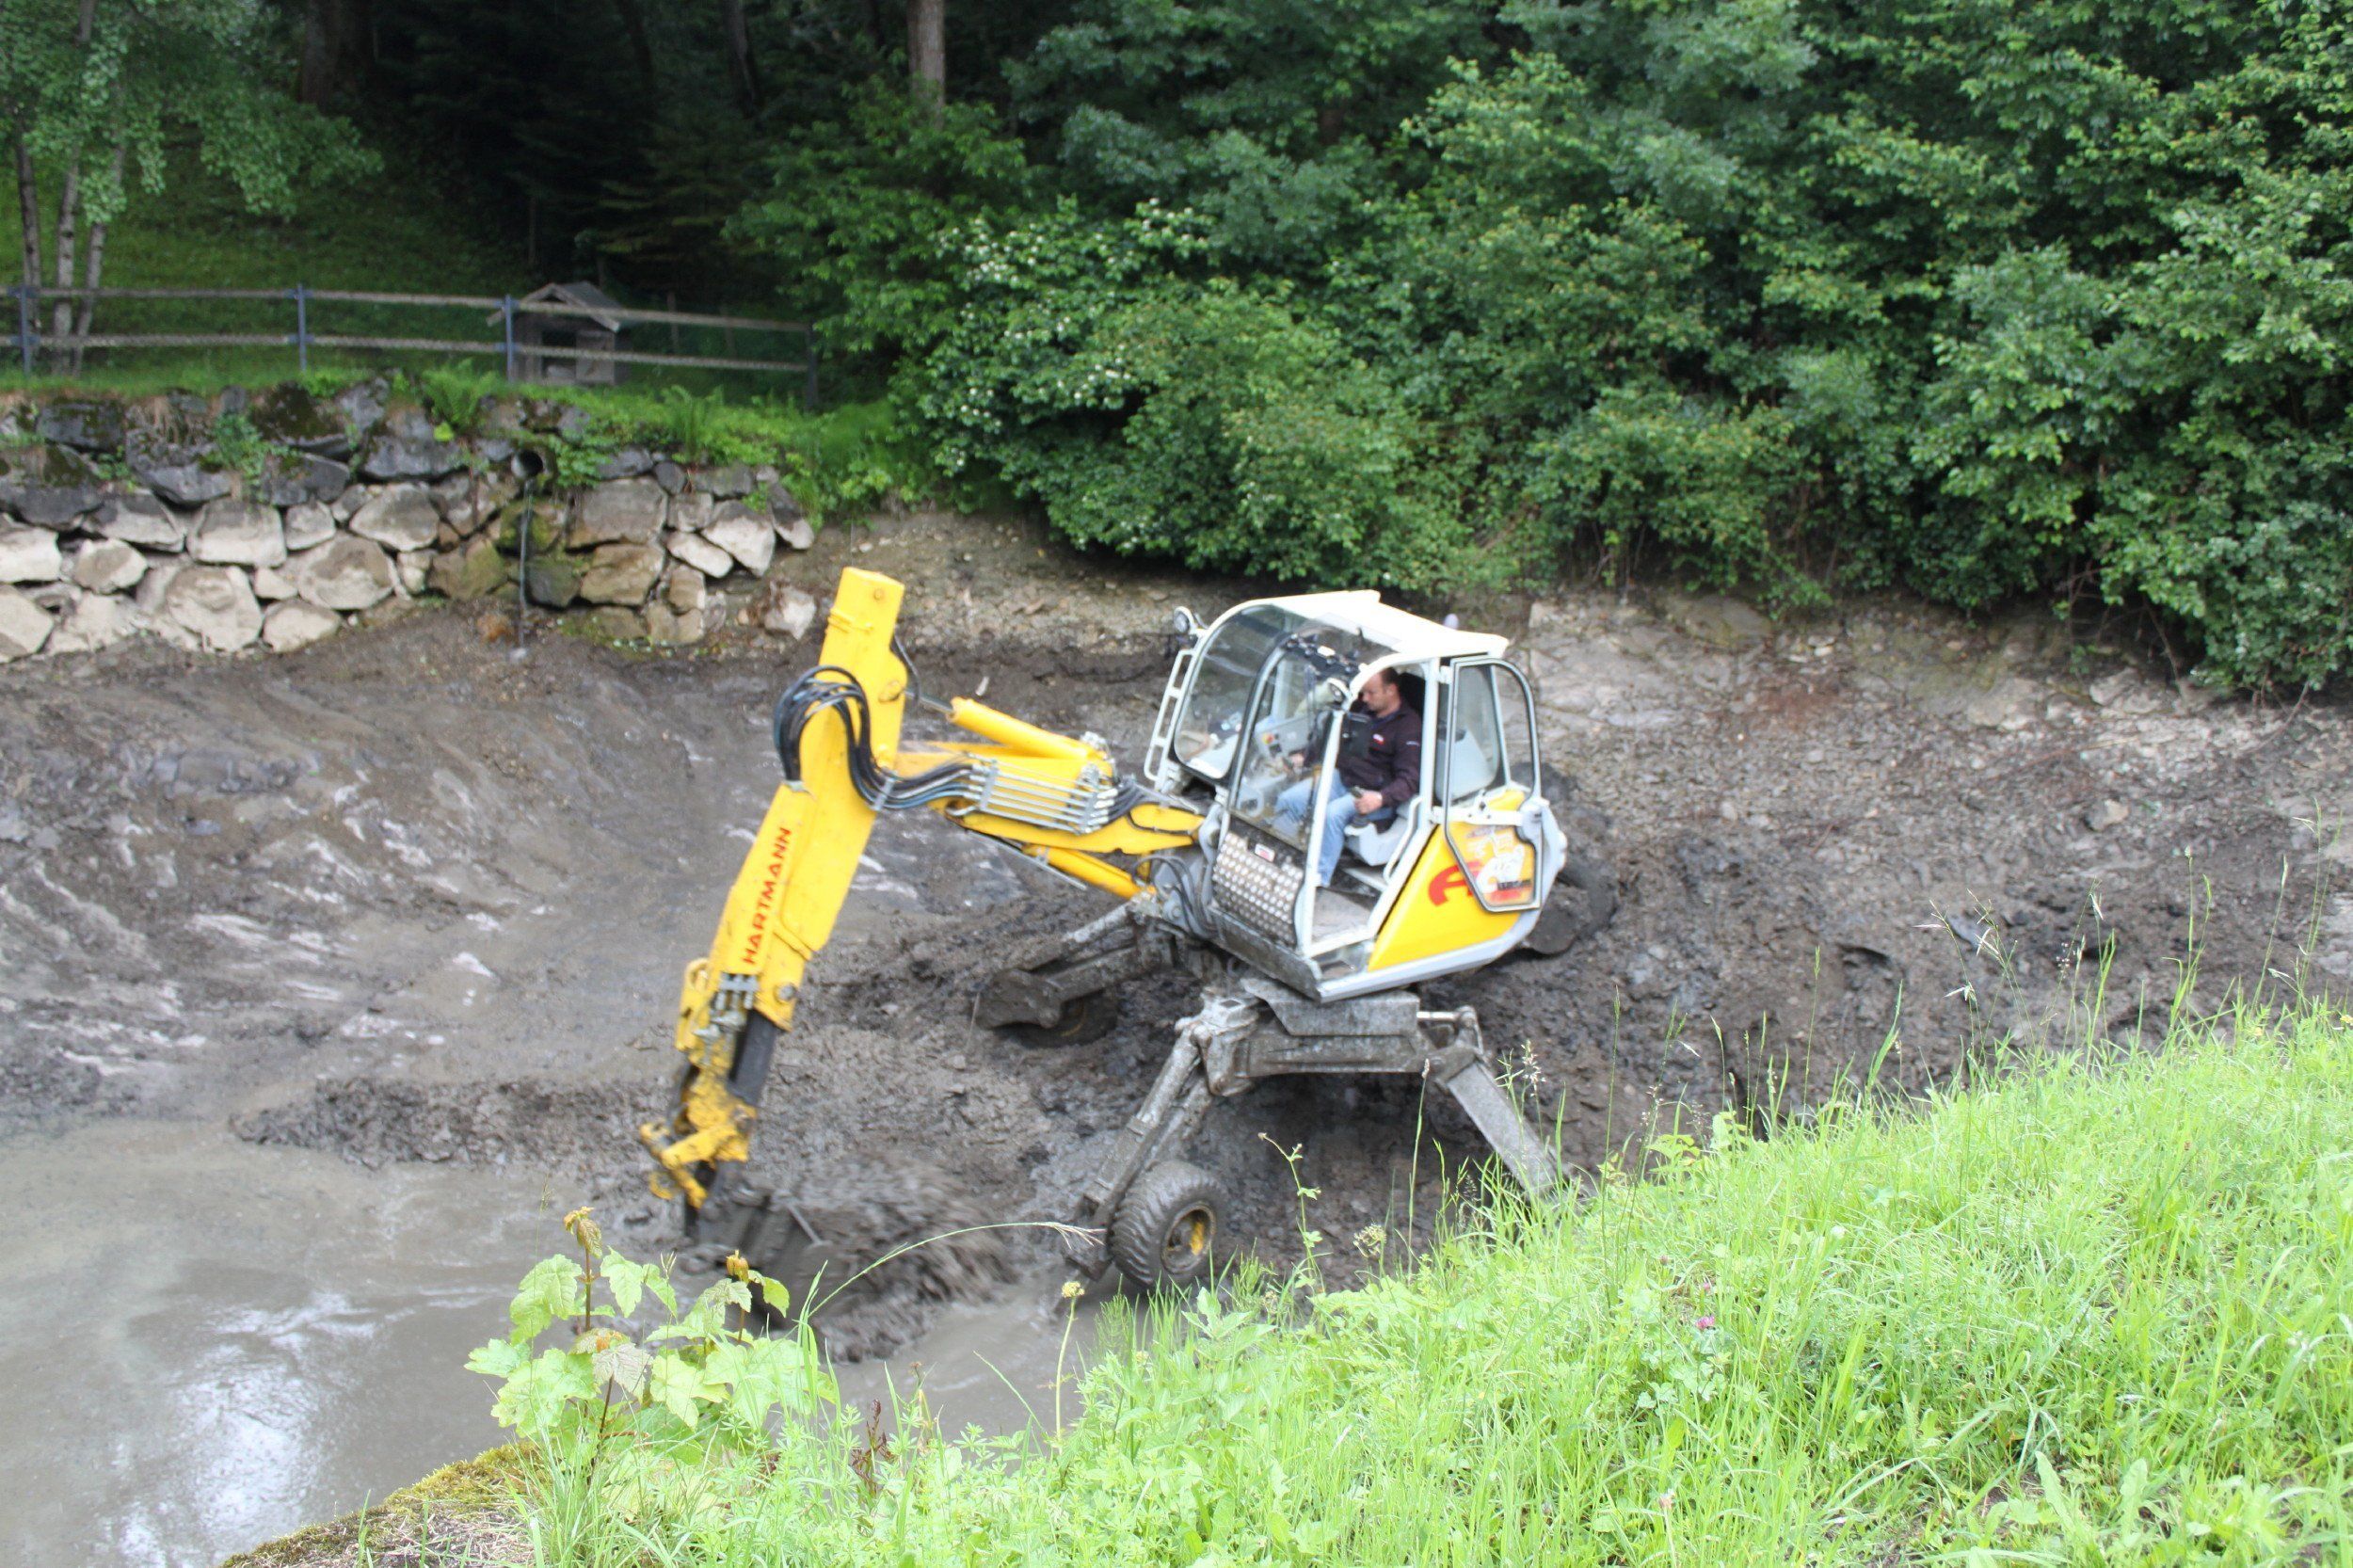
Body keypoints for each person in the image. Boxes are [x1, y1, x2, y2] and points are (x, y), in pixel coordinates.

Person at [1274, 666, 1421, 888]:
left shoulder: (1408, 727)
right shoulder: (1361, 709)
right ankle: (1280, 860)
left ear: (1391, 690)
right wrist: (1304, 757)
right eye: (1363, 693)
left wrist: (1381, 798)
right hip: (1343, 778)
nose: (1365, 698)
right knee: (1289, 800)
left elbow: (1410, 779)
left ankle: (1316, 880)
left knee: (1332, 814)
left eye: (1371, 693)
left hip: (1373, 793)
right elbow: (1331, 735)